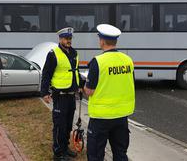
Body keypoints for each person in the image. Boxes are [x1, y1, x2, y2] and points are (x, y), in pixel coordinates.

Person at [83, 24, 135, 161]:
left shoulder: (98, 62)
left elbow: (89, 91)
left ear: (102, 40)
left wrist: (83, 85)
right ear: (115, 40)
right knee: (120, 154)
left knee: (95, 155)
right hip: (122, 116)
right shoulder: (128, 60)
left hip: (101, 117)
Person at [41, 27, 82, 161]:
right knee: (60, 125)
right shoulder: (53, 54)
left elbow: (75, 71)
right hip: (60, 96)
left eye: (70, 38)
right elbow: (46, 74)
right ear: (60, 39)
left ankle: (65, 147)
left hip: (71, 95)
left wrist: (80, 86)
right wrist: (45, 92)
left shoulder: (74, 53)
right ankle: (58, 153)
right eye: (66, 38)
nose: (68, 41)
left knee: (68, 124)